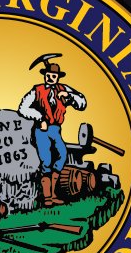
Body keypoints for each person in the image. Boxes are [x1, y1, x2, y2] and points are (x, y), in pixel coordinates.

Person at [18, 58, 87, 206]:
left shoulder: (64, 89)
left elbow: (82, 103)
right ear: (45, 75)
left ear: (58, 77)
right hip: (41, 129)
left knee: (62, 156)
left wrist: (68, 97)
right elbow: (23, 107)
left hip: (56, 129)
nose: (50, 78)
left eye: (53, 76)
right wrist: (39, 117)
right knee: (46, 160)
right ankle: (47, 197)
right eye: (48, 75)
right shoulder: (36, 90)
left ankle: (54, 194)